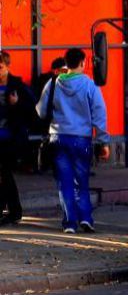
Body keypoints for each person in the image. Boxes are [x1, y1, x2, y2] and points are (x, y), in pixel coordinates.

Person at [36, 48, 109, 234]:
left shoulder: (53, 83)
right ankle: (86, 218)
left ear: (66, 63)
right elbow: (99, 114)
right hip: (81, 139)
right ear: (83, 63)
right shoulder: (90, 85)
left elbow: (41, 111)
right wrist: (103, 141)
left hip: (58, 138)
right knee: (81, 181)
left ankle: (69, 223)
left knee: (65, 182)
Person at [0, 51, 35, 226]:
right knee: (3, 174)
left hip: (10, 137)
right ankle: (10, 210)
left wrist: (16, 104)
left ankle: (14, 211)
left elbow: (32, 109)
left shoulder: (17, 85)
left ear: (7, 66)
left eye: (0, 67)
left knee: (4, 172)